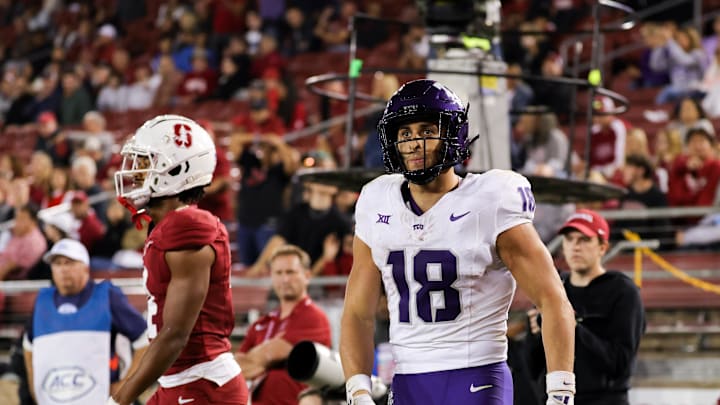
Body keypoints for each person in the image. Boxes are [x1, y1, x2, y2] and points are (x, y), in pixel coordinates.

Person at [340, 79, 577, 405]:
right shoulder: (376, 200)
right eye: (405, 133)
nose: (414, 143)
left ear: (453, 134)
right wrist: (358, 390)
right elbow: (357, 313)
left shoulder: (490, 199)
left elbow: (552, 299)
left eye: (426, 130)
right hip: (407, 378)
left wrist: (561, 390)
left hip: (475, 375)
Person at [109, 115, 248, 405]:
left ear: (175, 170)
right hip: (180, 381)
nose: (134, 172)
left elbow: (175, 335)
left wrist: (120, 399)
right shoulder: (167, 225)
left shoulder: (188, 226)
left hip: (204, 385)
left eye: (145, 162)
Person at [525, 209, 646, 405]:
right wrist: (537, 333)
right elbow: (532, 366)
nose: (575, 247)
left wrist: (572, 327)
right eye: (569, 239)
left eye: (584, 239)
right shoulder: (554, 288)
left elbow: (620, 364)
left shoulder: (623, 291)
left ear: (603, 247)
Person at [23, 238, 149, 405]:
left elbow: (145, 340)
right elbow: (28, 346)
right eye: (57, 263)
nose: (63, 269)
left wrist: (126, 387)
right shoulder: (43, 301)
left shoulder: (107, 296)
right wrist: (36, 388)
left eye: (69, 262)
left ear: (85, 267)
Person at [236, 244, 332, 404]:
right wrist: (264, 356)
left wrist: (259, 359)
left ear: (307, 276)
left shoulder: (314, 317)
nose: (285, 279)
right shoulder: (262, 323)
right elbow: (237, 368)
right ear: (271, 277)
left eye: (291, 272)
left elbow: (272, 354)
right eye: (278, 273)